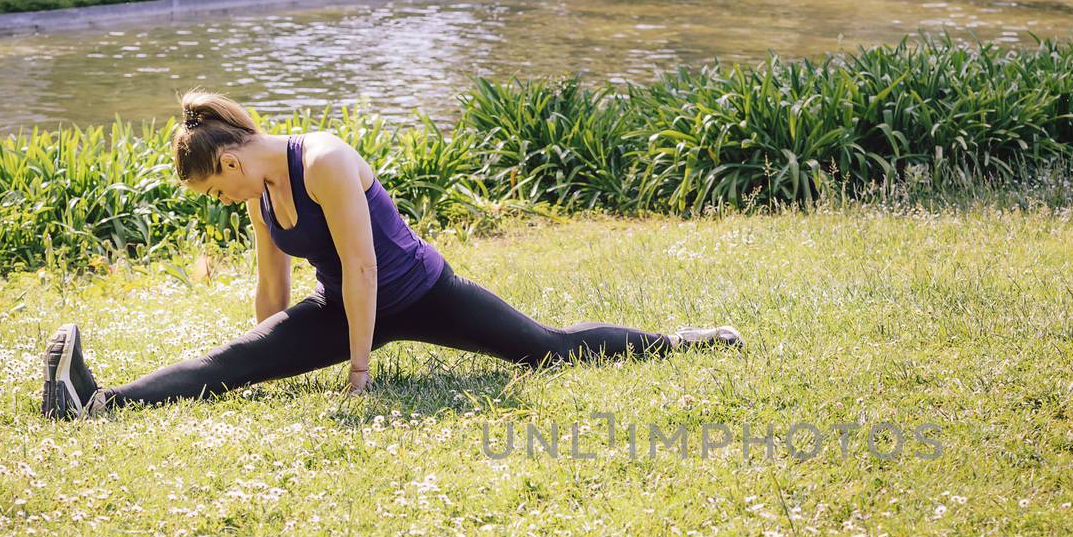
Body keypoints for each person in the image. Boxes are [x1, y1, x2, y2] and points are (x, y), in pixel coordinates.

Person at [41, 90, 742, 419]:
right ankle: (96, 401)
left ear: (228, 159)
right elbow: (272, 287)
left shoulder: (324, 161)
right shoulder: (258, 194)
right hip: (343, 303)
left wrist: (360, 372)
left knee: (545, 349)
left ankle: (678, 342)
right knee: (231, 363)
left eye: (212, 189)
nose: (218, 201)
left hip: (421, 291)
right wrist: (260, 348)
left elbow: (367, 264)